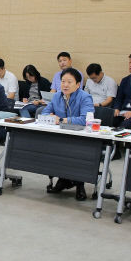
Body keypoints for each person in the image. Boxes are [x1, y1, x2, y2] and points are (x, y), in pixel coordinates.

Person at [41, 68, 95, 200]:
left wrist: (61, 120)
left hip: (80, 138)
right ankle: (63, 179)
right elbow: (44, 113)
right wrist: (50, 116)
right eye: (63, 81)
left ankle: (79, 184)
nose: (65, 85)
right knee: (51, 148)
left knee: (75, 151)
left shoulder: (85, 97)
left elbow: (85, 119)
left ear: (78, 84)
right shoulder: (57, 96)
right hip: (60, 135)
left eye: (69, 82)